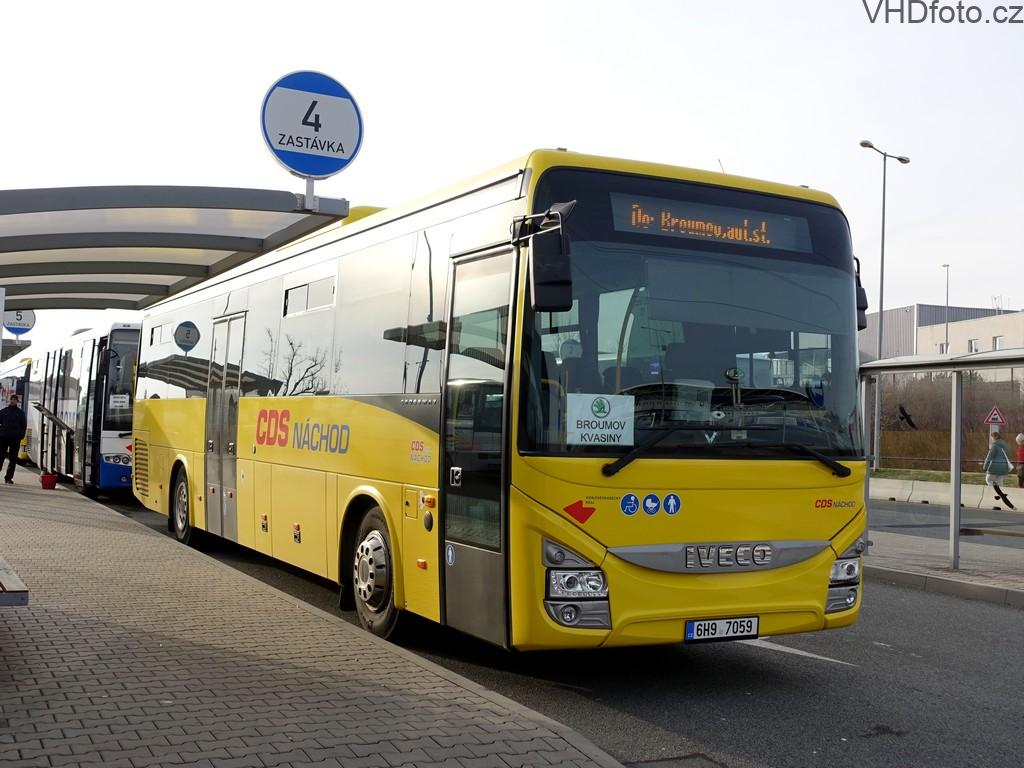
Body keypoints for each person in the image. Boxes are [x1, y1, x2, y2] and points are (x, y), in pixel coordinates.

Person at [0, 394, 27, 484]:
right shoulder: (3, 411)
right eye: (12, 399)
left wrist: (21, 436)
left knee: (13, 459)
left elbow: (23, 425)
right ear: (10, 400)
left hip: (15, 439)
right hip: (3, 438)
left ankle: (8, 478)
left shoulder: (20, 413)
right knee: (0, 457)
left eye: (15, 399)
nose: (13, 401)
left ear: (17, 402)